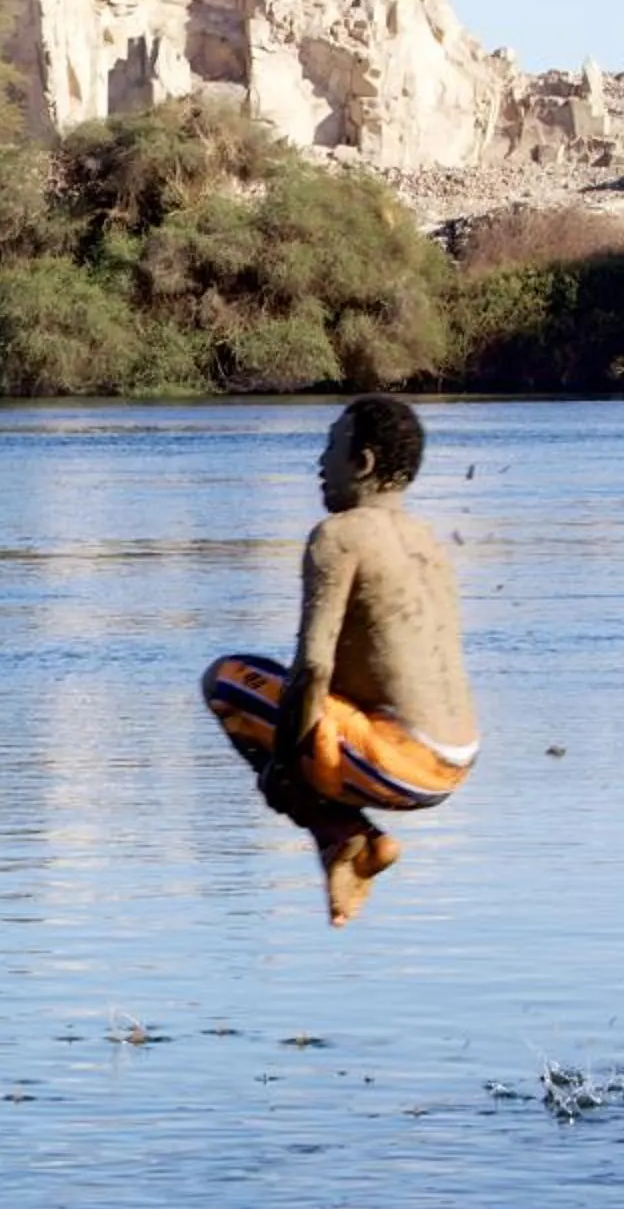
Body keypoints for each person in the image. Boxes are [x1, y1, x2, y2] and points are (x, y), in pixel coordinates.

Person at [203, 397, 478, 927]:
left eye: (330, 446)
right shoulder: (426, 541)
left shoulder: (340, 536)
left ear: (364, 463)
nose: (319, 463)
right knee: (295, 708)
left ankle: (345, 836)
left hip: (401, 762)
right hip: (459, 759)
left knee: (226, 680)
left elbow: (313, 669)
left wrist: (283, 774)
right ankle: (353, 840)